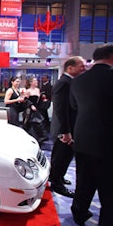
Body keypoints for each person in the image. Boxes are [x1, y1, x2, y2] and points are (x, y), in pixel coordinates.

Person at [70, 44, 113, 226]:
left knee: (84, 182)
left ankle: (79, 213)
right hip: (109, 143)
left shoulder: (78, 81)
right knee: (110, 189)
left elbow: (75, 107)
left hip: (82, 140)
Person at [49, 56, 85, 198]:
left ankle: (57, 177)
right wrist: (65, 131)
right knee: (61, 157)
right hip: (64, 129)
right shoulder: (64, 83)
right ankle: (57, 184)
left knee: (62, 156)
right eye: (81, 65)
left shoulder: (69, 82)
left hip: (68, 128)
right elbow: (60, 109)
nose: (84, 68)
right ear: (70, 68)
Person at [22, 76, 49, 145]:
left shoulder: (38, 90)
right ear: (31, 82)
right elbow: (25, 100)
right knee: (31, 124)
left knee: (39, 123)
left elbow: (39, 100)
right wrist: (31, 105)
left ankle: (39, 139)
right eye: (35, 81)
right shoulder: (28, 91)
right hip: (30, 109)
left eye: (36, 81)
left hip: (37, 108)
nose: (36, 82)